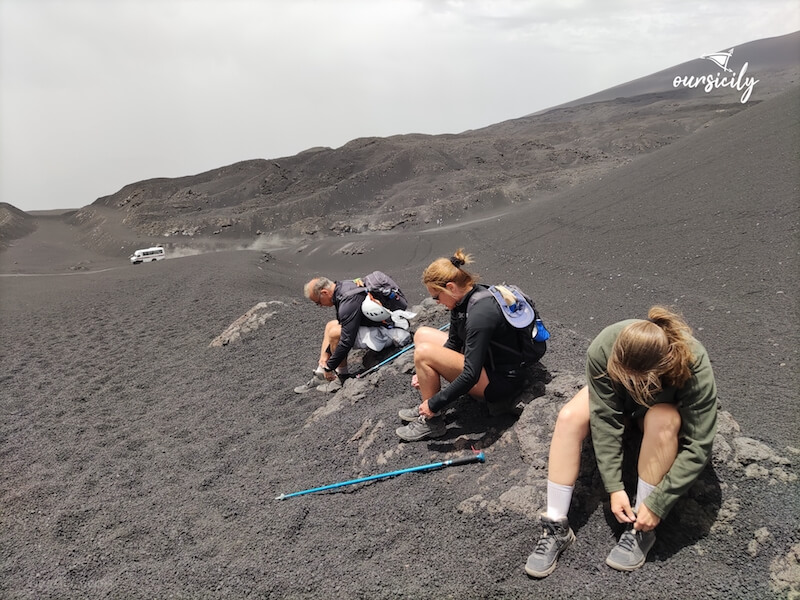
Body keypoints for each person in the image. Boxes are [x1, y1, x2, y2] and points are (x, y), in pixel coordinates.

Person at [524, 306, 718, 577]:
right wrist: (615, 488)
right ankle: (556, 526)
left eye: (633, 380)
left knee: (664, 419)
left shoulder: (692, 361)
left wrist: (659, 503)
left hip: (657, 412)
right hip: (620, 409)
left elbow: (699, 443)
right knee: (568, 417)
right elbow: (605, 419)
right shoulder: (604, 347)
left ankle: (642, 525)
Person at [395, 249, 546, 442]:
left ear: (450, 287)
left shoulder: (480, 314)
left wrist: (434, 403)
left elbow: (470, 374)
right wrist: (425, 371)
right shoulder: (465, 299)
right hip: (485, 362)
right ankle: (429, 398)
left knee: (423, 354)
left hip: (499, 382)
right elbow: (453, 342)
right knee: (422, 335)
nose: (437, 302)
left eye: (436, 297)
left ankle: (432, 421)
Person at [294, 276, 412, 393]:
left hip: (389, 333)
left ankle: (342, 377)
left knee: (335, 333)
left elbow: (346, 341)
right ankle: (321, 375)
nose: (320, 306)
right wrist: (325, 355)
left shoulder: (348, 301)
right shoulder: (344, 286)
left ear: (324, 292)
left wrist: (329, 367)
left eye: (318, 302)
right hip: (382, 325)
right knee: (330, 326)